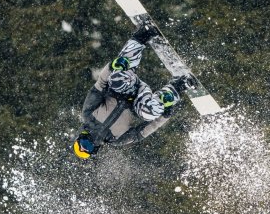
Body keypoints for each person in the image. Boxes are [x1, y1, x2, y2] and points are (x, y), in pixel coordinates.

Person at [72, 21, 192, 159]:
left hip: (123, 87)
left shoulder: (88, 115)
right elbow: (143, 131)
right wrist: (164, 116)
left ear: (81, 137)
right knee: (149, 112)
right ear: (96, 151)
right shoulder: (116, 140)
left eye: (85, 144)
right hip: (138, 100)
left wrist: (112, 66)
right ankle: (178, 86)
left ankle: (141, 36)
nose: (90, 144)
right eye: (90, 149)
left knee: (117, 78)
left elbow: (100, 85)